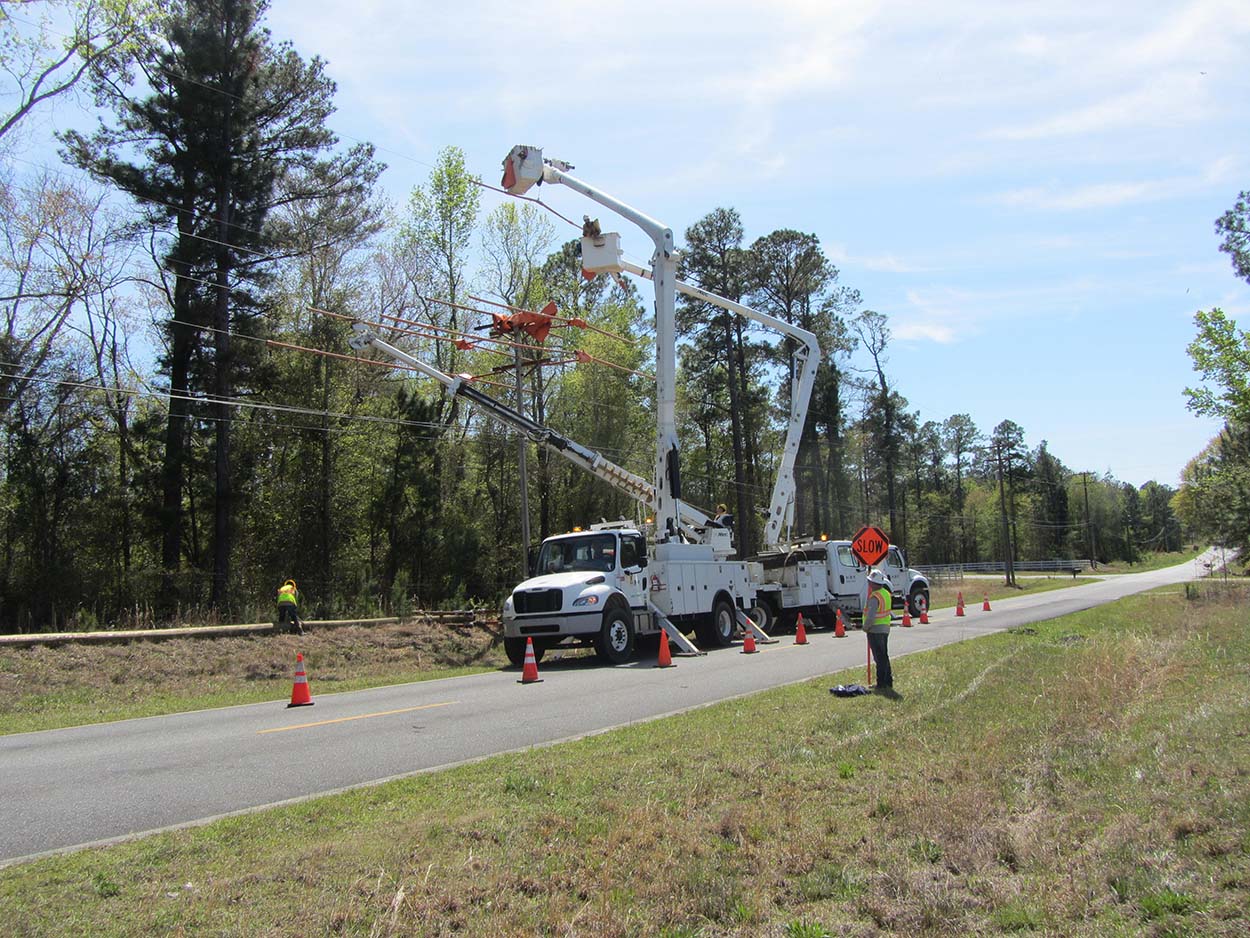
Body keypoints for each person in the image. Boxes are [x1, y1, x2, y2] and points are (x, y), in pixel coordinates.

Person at [864, 567, 897, 697]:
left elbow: (871, 616)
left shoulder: (875, 596)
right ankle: (888, 681)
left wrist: (865, 627)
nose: (868, 584)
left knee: (879, 657)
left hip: (875, 630)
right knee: (884, 655)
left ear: (874, 583)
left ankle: (881, 683)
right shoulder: (886, 594)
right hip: (885, 628)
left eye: (869, 582)